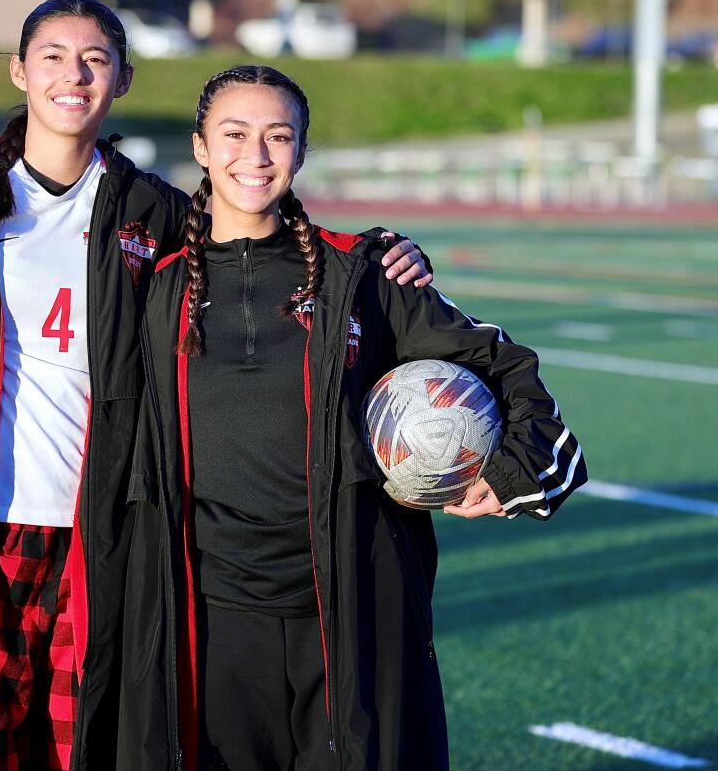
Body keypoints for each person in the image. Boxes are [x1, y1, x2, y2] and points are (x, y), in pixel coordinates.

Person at [0, 0, 430, 771]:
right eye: (53, 57)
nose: (73, 75)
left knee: (86, 752)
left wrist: (376, 253)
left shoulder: (153, 212)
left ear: (122, 81)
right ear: (20, 70)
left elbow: (262, 236)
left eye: (95, 60)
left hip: (108, 547)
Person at [128, 66, 588, 771]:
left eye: (278, 137)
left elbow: (504, 365)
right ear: (198, 147)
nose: (256, 156)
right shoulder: (154, 289)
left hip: (347, 609)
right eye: (235, 134)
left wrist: (511, 472)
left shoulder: (364, 275)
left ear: (301, 153)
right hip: (211, 617)